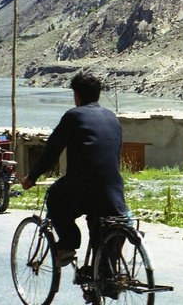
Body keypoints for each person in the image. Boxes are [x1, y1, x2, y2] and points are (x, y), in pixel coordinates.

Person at [20, 73, 129, 268]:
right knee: (103, 222)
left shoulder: (74, 116)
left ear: (77, 96)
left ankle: (68, 245)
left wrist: (32, 177)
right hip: (114, 190)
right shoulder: (112, 117)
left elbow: (51, 152)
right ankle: (104, 278)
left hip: (82, 187)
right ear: (98, 95)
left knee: (54, 196)